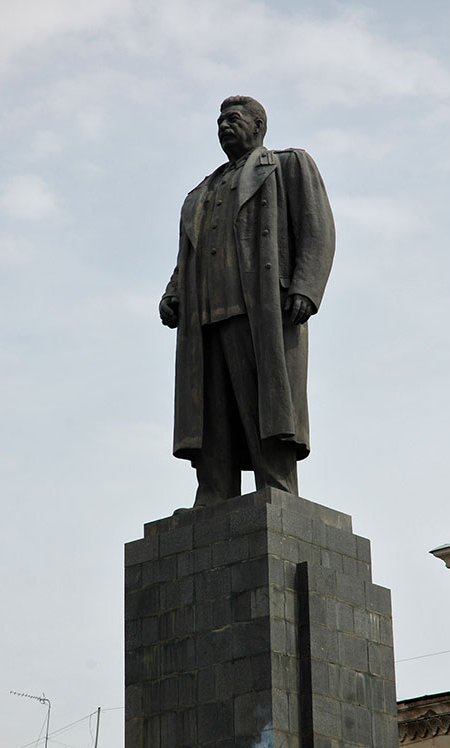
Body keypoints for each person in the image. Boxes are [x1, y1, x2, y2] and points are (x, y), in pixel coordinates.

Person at [159, 96, 335, 507]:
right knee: (211, 413)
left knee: (267, 405)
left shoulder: (287, 165)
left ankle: (277, 488)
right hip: (204, 317)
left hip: (262, 311)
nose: (223, 126)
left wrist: (306, 287)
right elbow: (188, 253)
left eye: (233, 119)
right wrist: (174, 292)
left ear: (258, 126)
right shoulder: (200, 192)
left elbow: (318, 229)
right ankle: (213, 491)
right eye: (219, 121)